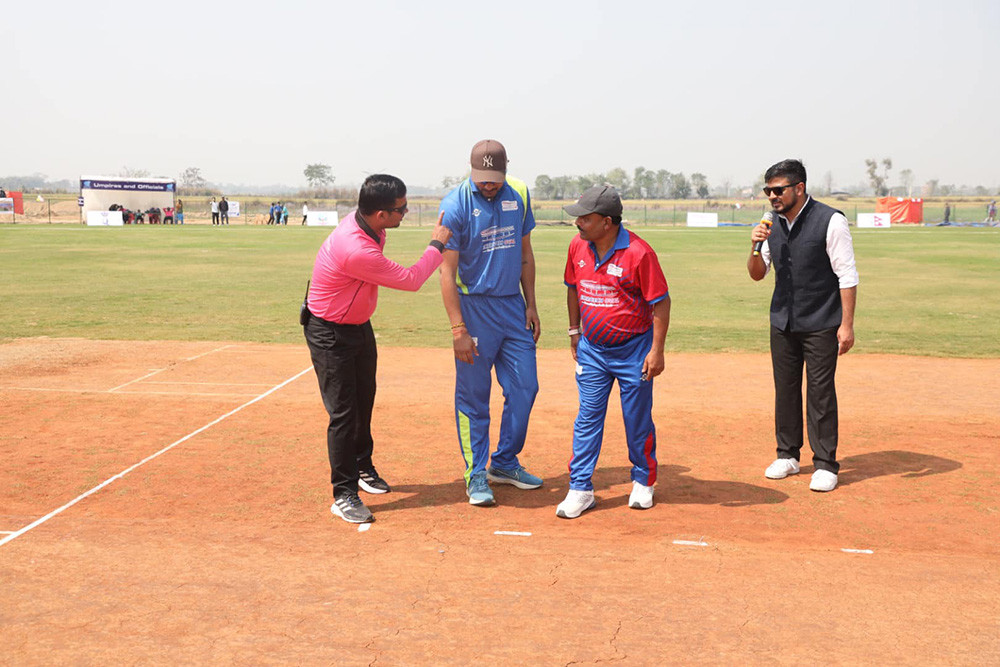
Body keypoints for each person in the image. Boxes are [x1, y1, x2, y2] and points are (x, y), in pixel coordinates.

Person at [304, 174, 451, 524]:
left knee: (364, 399)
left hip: (357, 326)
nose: (405, 213)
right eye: (401, 209)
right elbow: (412, 280)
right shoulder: (355, 247)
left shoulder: (373, 228)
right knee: (343, 414)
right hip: (330, 332)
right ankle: (344, 493)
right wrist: (437, 245)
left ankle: (362, 466)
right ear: (380, 214)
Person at [439, 139, 542, 507]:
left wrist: (531, 305)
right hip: (474, 309)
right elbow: (446, 272)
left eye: (495, 177)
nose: (489, 184)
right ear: (471, 170)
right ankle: (476, 474)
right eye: (483, 178)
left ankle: (505, 462)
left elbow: (526, 255)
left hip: (513, 309)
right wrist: (458, 329)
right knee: (474, 398)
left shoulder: (520, 193)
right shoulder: (455, 204)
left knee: (525, 388)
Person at [557, 186, 670, 519]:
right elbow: (574, 289)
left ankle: (643, 481)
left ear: (607, 222)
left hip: (634, 351)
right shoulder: (577, 245)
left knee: (636, 420)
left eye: (585, 217)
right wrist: (575, 332)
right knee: (587, 419)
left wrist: (656, 351)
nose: (577, 222)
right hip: (592, 350)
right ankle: (580, 488)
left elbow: (661, 302)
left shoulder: (639, 253)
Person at [747, 159, 859, 493]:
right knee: (785, 388)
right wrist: (753, 246)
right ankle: (787, 455)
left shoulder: (831, 221)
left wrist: (847, 325)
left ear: (799, 188)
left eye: (778, 190)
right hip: (782, 321)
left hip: (823, 321)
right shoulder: (770, 226)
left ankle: (825, 463)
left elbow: (847, 274)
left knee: (820, 392)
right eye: (768, 190)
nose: (772, 197)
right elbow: (757, 273)